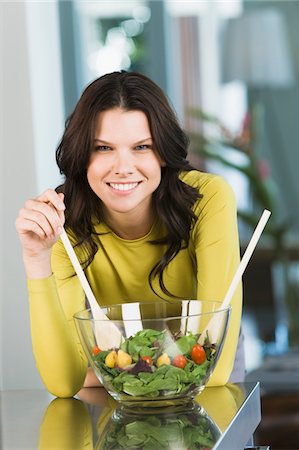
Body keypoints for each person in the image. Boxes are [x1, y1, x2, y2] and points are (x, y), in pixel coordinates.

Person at [15, 71, 244, 398]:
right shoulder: (63, 223)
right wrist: (35, 259)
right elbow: (65, 382)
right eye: (104, 147)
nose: (122, 167)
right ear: (83, 154)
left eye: (141, 147)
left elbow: (214, 366)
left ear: (163, 152)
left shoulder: (208, 199)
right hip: (120, 391)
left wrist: (112, 368)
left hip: (191, 386)